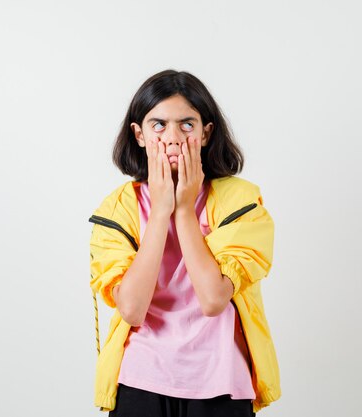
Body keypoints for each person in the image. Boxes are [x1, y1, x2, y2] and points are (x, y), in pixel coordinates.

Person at [89, 69, 280, 417]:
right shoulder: (117, 208)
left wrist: (184, 210)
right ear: (139, 135)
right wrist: (160, 212)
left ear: (206, 133)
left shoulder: (243, 201)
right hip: (140, 379)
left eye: (187, 124)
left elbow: (212, 299)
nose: (173, 137)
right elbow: (131, 309)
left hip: (220, 379)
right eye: (158, 125)